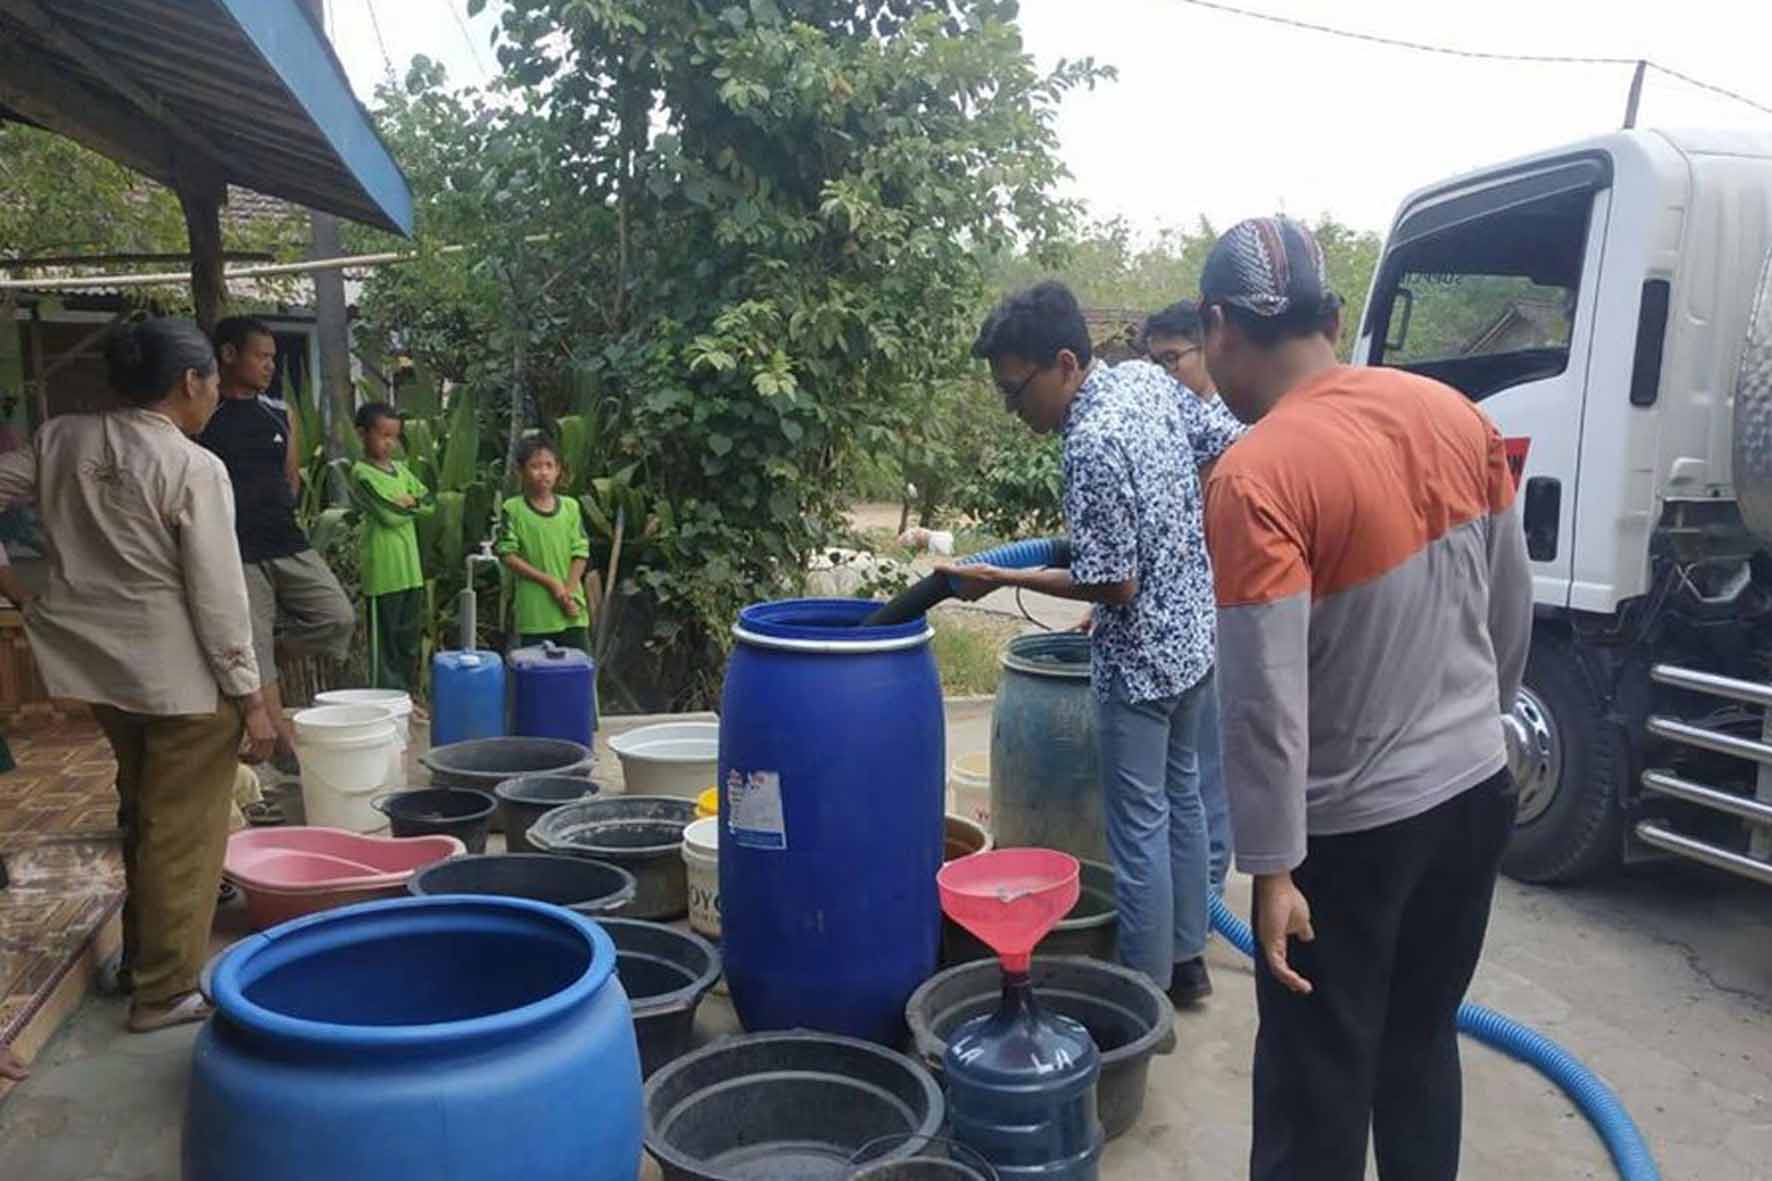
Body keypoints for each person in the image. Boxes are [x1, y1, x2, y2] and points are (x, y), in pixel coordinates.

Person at [1197, 216, 1532, 1181]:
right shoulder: (1455, 415)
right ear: (1335, 318)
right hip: (1475, 795)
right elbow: (1510, 610)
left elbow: (1263, 699)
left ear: (1219, 327)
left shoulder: (1255, 474)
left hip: (1351, 836)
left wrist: (1271, 868)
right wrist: (1478, 727)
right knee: (1420, 1043)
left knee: (1316, 1083)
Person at [944, 280, 1243, 1007]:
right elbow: (1223, 442)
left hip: (1139, 665)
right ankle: (1188, 963)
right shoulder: (1146, 380)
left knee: (1137, 828)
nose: (1014, 411)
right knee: (1182, 799)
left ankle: (1143, 995)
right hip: (1194, 643)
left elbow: (1114, 583)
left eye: (1016, 392)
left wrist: (998, 579)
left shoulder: (1089, 441)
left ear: (1065, 363)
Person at [0, 318, 278, 1032]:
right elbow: (219, 599)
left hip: (101, 674)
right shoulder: (192, 466)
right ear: (190, 382)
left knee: (143, 812)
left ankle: (140, 962)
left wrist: (16, 589)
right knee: (184, 835)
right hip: (183, 682)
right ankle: (163, 992)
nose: (213, 394)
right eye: (210, 382)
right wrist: (251, 700)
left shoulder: (62, 439)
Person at [198, 317, 354, 769]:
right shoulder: (203, 417)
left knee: (338, 617)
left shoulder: (279, 413)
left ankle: (279, 649)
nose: (269, 365)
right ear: (229, 355)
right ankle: (283, 749)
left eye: (272, 357)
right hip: (236, 553)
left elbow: (291, 478)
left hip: (287, 541)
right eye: (260, 356)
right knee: (254, 650)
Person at [1141, 299, 1233, 898]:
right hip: (1181, 619)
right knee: (1186, 773)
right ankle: (1188, 898)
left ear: (1208, 350)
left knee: (1207, 770)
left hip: (1219, 615)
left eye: (1173, 359)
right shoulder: (1171, 425)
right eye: (1156, 362)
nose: (1165, 374)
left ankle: (1203, 899)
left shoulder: (1224, 427)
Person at [349, 403, 434, 691]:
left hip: (411, 572)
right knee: (384, 647)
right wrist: (411, 504)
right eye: (383, 435)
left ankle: (406, 696)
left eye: (394, 437)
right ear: (362, 434)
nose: (389, 443)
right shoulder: (362, 474)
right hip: (383, 573)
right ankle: (386, 700)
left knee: (407, 642)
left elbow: (430, 503)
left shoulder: (401, 470)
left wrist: (410, 502)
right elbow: (388, 515)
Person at [497, 436, 591, 651]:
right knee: (536, 668)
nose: (543, 472)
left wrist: (567, 594)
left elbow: (581, 552)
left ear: (558, 470)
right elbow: (508, 555)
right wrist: (551, 582)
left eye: (549, 466)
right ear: (521, 471)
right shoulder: (513, 509)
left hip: (572, 612)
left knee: (579, 667)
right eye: (535, 466)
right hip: (535, 614)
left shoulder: (570, 507)